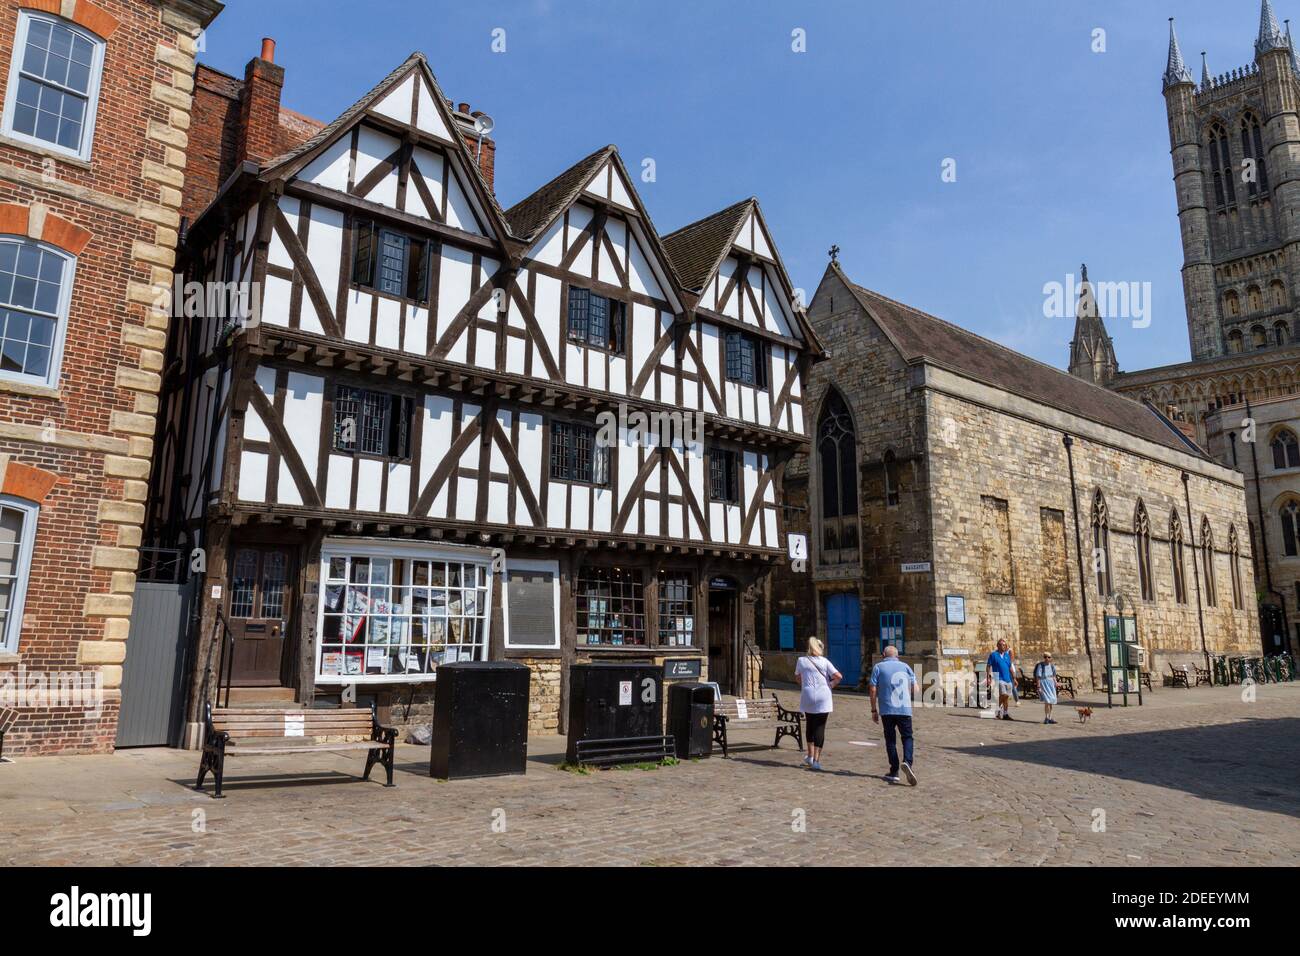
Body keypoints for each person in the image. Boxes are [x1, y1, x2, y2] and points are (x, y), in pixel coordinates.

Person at [869, 645, 918, 785]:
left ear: (883, 654)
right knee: (907, 737)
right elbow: (916, 688)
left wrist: (873, 709)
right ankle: (907, 762)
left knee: (890, 740)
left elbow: (872, 689)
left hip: (887, 710)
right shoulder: (906, 667)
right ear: (897, 655)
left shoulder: (878, 667)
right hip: (904, 709)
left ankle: (894, 771)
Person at [795, 637, 841, 771]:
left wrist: (804, 685)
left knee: (810, 724)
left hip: (808, 694)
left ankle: (809, 755)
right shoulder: (824, 661)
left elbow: (797, 677)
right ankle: (816, 760)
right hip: (823, 694)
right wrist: (831, 684)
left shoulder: (802, 661)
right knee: (820, 727)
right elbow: (838, 676)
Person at [986, 638, 1016, 720]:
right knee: (1003, 695)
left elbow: (1010, 667)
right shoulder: (993, 655)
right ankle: (998, 712)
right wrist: (988, 677)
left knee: (1006, 697)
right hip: (999, 678)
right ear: (997, 646)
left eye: (1004, 645)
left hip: (1008, 679)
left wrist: (1014, 678)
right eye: (1001, 645)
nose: (1003, 646)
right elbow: (988, 666)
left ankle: (1005, 714)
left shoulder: (1007, 655)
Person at [1034, 652, 1059, 724]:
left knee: (1051, 701)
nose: (1047, 658)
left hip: (1051, 683)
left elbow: (1054, 675)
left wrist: (1056, 682)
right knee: (1047, 701)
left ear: (1051, 658)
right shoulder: (1041, 665)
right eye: (1045, 657)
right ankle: (1046, 717)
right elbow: (1038, 676)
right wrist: (1038, 686)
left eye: (1048, 657)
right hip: (1044, 683)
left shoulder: (1052, 666)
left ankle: (1050, 717)